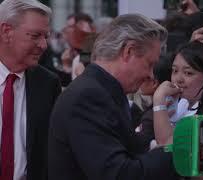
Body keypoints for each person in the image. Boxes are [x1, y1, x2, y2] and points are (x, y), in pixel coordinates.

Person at [48, 14, 179, 180]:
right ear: (128, 51)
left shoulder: (102, 90)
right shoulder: (88, 97)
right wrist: (174, 152)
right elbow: (118, 174)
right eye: (149, 64)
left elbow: (129, 146)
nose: (150, 74)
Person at [0, 0, 61, 180]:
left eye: (45, 36)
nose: (43, 45)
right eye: (35, 36)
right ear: (6, 32)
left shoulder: (48, 84)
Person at [153, 41, 203, 145]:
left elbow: (166, 146)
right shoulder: (182, 104)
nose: (178, 79)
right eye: (175, 71)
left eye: (188, 73)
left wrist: (158, 101)